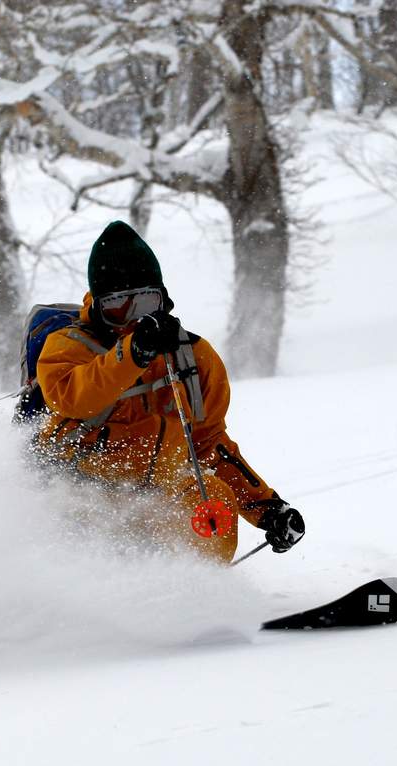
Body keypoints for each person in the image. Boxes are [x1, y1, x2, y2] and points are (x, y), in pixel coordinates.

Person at [33, 220, 305, 564]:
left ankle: (201, 594)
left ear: (163, 300)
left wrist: (267, 509)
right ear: (99, 306)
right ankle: (83, 597)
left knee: (212, 499)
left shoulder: (193, 357)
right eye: (119, 305)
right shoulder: (68, 346)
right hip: (80, 490)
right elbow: (73, 398)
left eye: (146, 301)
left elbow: (208, 443)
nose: (134, 317)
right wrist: (132, 354)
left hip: (158, 494)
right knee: (83, 525)